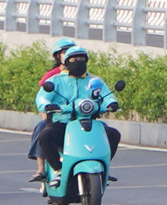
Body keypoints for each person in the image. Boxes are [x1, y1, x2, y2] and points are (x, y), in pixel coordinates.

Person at [32, 46, 119, 186]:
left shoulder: (94, 81)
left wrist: (112, 103)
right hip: (63, 123)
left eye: (82, 59)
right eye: (74, 59)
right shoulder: (56, 80)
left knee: (113, 134)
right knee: (45, 136)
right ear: (66, 61)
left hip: (89, 122)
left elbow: (107, 95)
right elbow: (42, 98)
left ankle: (103, 168)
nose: (79, 62)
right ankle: (58, 170)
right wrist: (48, 106)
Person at [26, 37, 77, 180]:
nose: (69, 55)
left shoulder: (83, 76)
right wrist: (47, 115)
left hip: (78, 118)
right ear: (58, 56)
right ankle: (41, 169)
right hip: (55, 117)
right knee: (42, 129)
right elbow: (43, 98)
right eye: (65, 52)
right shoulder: (52, 76)